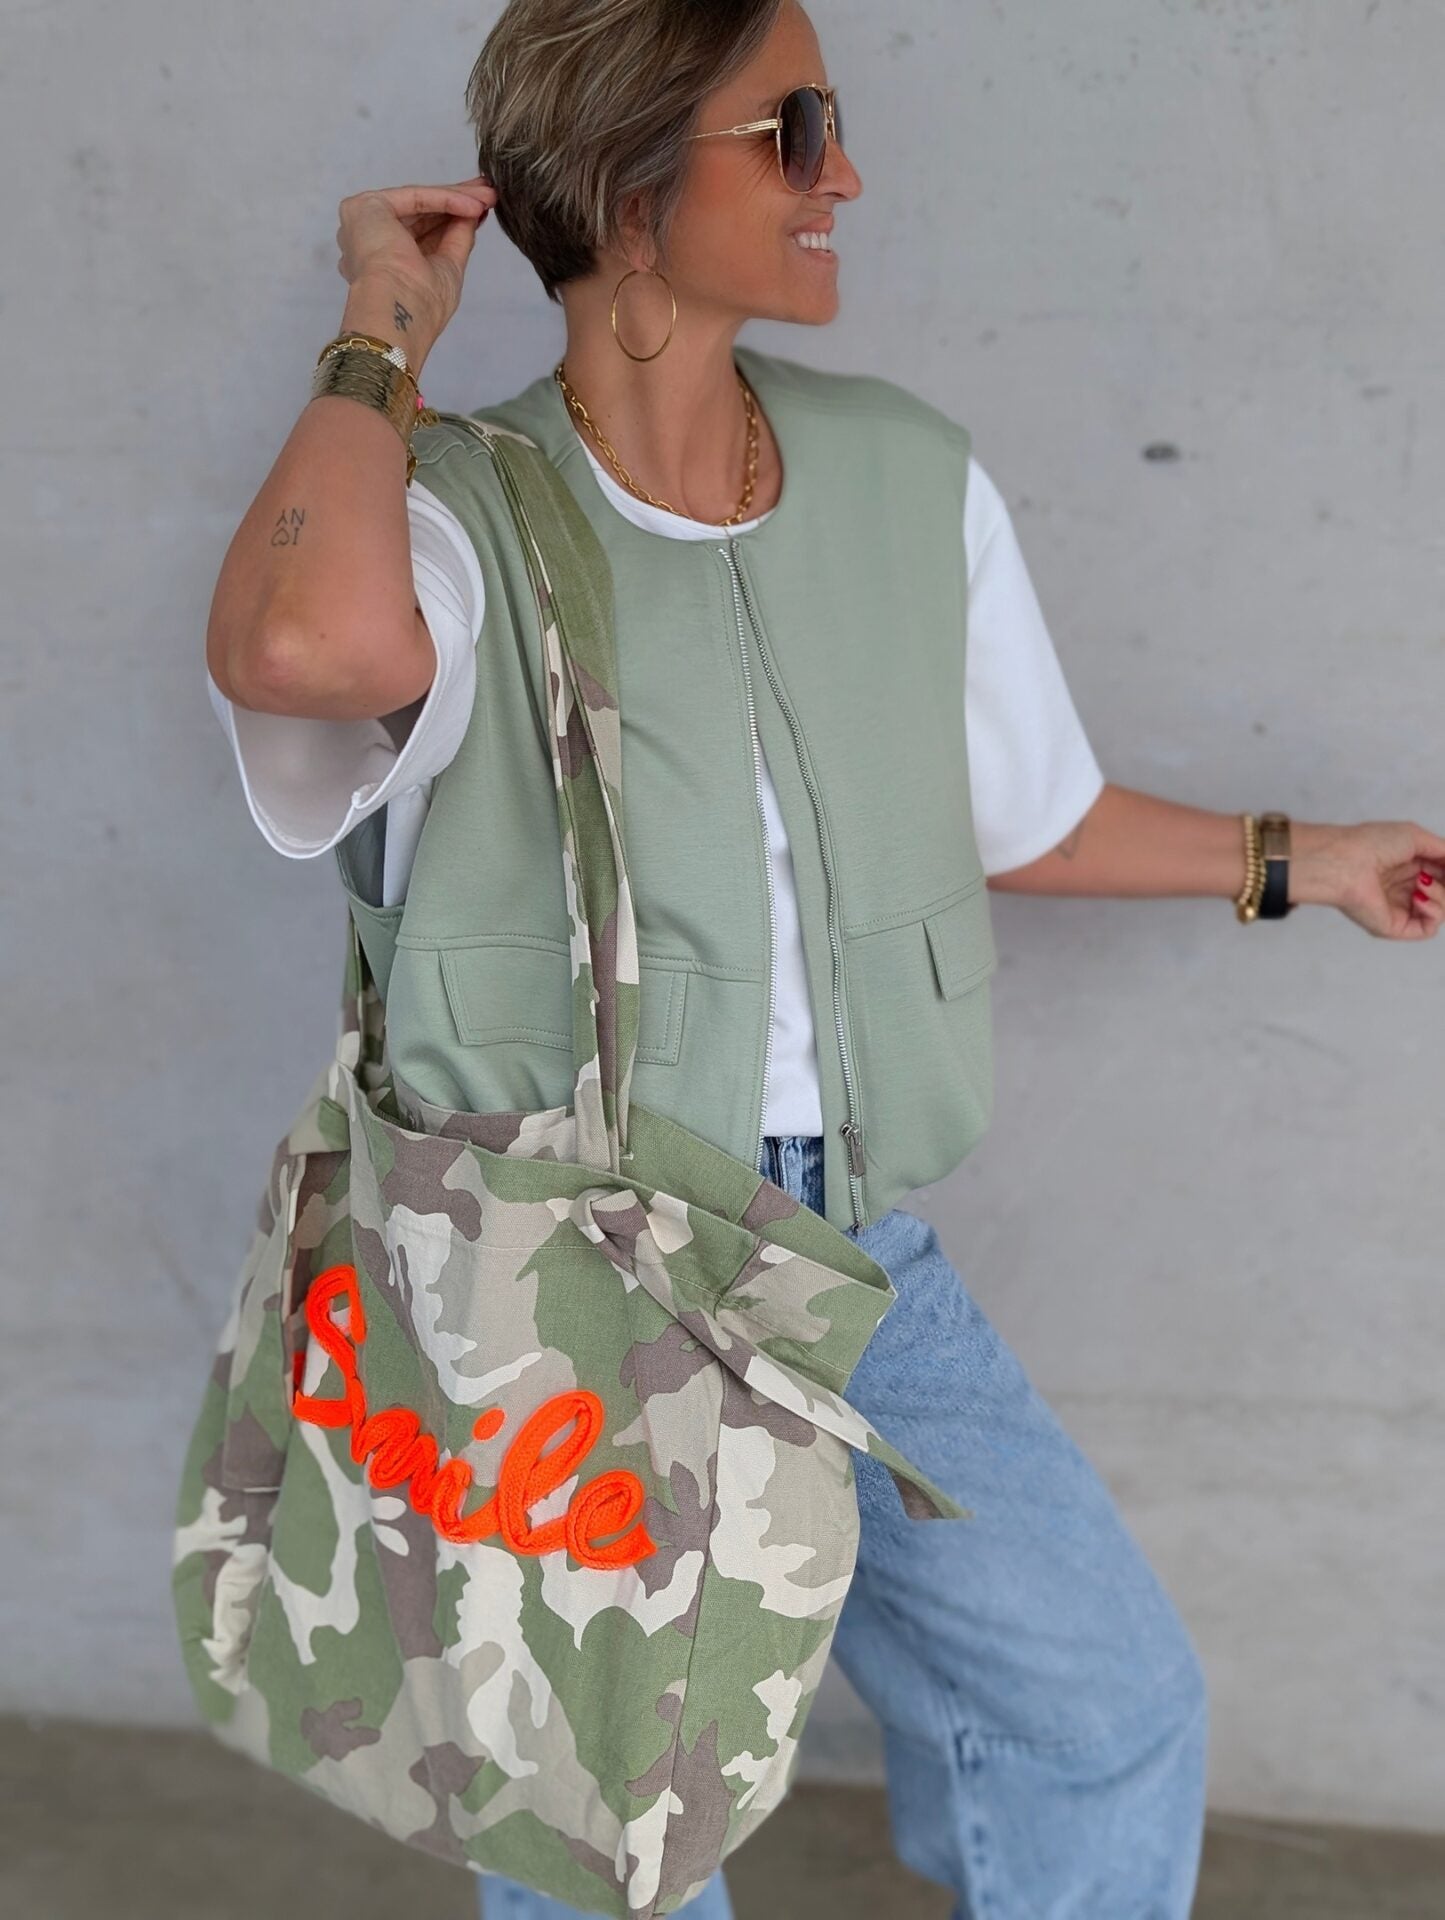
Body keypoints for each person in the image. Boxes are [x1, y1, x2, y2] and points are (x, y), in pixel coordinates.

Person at [201, 2, 1444, 1913]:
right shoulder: (448, 515)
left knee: (1094, 1707)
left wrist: (1304, 861)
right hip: (560, 1277)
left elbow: (1017, 816)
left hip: (847, 1253)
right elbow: (301, 651)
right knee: (606, 1833)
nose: (841, 175)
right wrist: (383, 329)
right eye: (791, 132)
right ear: (628, 189)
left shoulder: (901, 477)